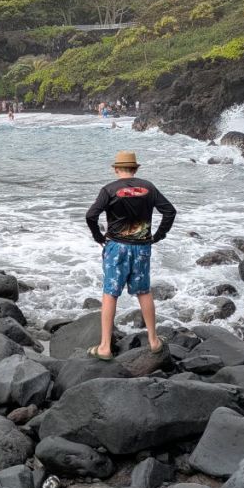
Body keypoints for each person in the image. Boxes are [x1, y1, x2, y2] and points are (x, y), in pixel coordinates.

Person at [85, 151, 176, 361]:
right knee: (143, 291)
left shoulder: (109, 189)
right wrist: (159, 235)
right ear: (136, 169)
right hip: (142, 247)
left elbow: (91, 215)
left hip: (116, 247)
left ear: (116, 168)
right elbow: (170, 212)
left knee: (110, 293)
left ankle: (105, 347)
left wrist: (99, 236)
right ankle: (154, 341)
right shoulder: (149, 188)